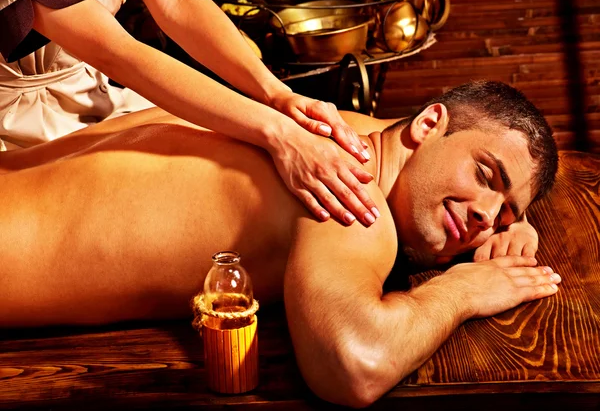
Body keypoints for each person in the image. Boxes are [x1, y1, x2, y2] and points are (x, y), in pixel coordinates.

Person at [0, 81, 560, 407]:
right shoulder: (347, 196)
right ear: (429, 123)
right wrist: (462, 290)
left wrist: (512, 219)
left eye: (503, 210)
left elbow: (446, 175)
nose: (485, 216)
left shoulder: (343, 131)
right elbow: (355, 366)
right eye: (485, 175)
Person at [0, 0, 379, 228]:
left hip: (96, 91)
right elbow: (116, 53)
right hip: (22, 125)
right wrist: (280, 133)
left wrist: (278, 96)